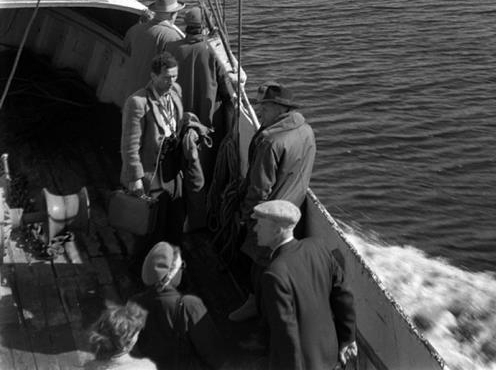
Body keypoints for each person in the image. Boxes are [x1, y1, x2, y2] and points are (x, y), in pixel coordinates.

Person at [228, 80, 316, 322]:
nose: (259, 112)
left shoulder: (270, 142)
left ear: (280, 109)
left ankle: (255, 304)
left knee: (258, 262)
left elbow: (259, 189)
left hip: (270, 215)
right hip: (294, 210)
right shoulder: (306, 131)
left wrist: (247, 217)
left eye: (265, 107)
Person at [252, 199, 357, 370]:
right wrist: (348, 338)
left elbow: (286, 333)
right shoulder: (318, 246)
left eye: (260, 225)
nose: (255, 229)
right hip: (330, 353)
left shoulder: (274, 273)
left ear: (277, 230)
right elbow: (343, 295)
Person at [168, 5, 236, 231]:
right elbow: (226, 89)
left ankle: (179, 214)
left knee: (179, 169)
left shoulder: (171, 48)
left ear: (186, 26)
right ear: (204, 27)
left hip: (178, 122)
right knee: (202, 173)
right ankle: (200, 221)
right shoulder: (212, 51)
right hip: (206, 126)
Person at [121, 52, 186, 245]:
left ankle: (171, 254)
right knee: (151, 224)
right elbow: (130, 145)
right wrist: (135, 178)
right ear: (153, 76)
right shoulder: (137, 102)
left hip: (173, 167)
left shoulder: (176, 91)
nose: (171, 82)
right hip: (153, 169)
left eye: (175, 76)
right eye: (166, 77)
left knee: (175, 217)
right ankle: (145, 258)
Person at [129, 241, 227, 370]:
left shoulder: (134, 302)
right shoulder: (189, 305)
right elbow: (213, 353)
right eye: (181, 266)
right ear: (173, 273)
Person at [123, 0, 187, 98]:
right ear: (173, 14)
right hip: (154, 98)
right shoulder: (173, 37)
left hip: (131, 93)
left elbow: (127, 50)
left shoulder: (134, 30)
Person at [83, 302, 157, 369]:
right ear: (129, 341)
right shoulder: (145, 367)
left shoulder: (89, 366)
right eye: (136, 333)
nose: (137, 336)